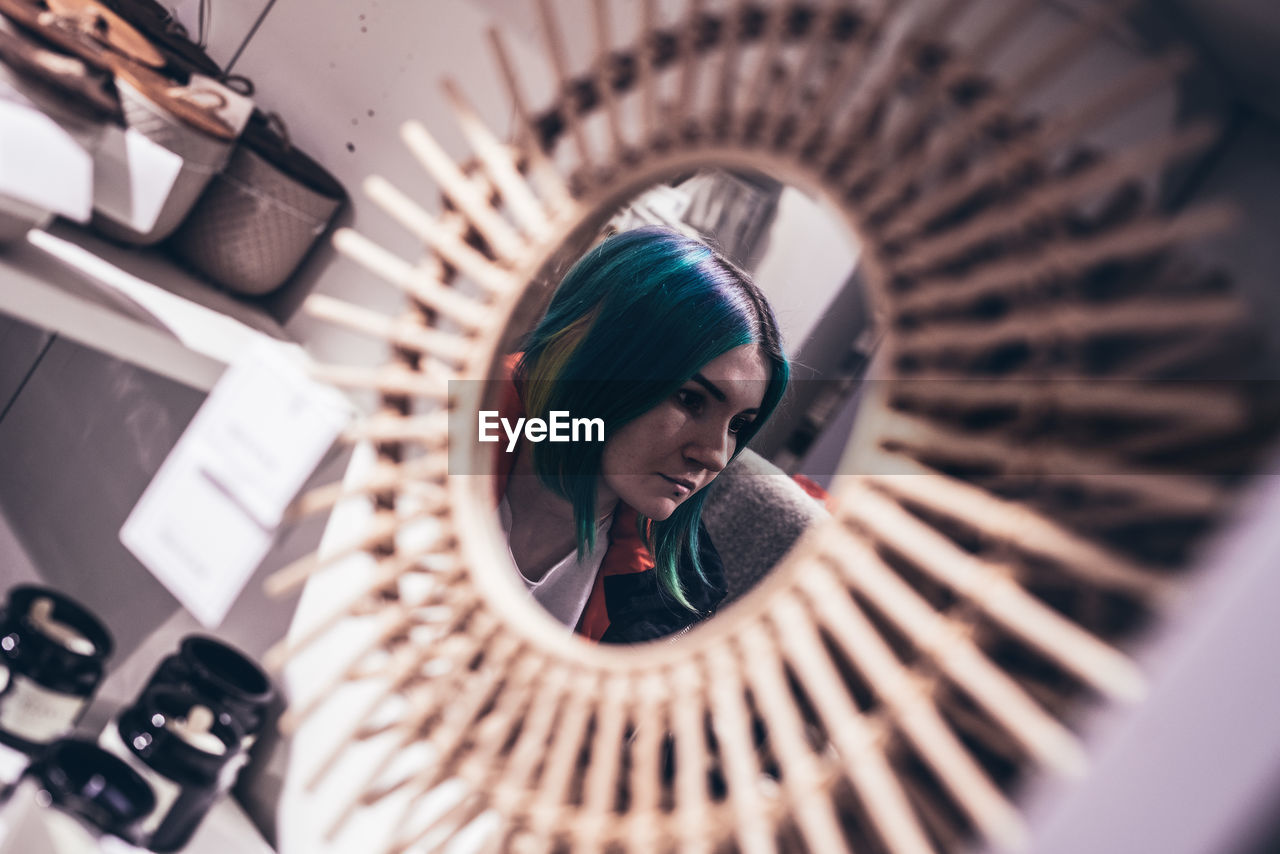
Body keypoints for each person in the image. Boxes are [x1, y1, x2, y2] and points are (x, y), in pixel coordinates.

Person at [492, 226, 790, 643]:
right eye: (690, 399)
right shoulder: (419, 444)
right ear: (598, 360)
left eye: (738, 425)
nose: (716, 456)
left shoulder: (678, 597)